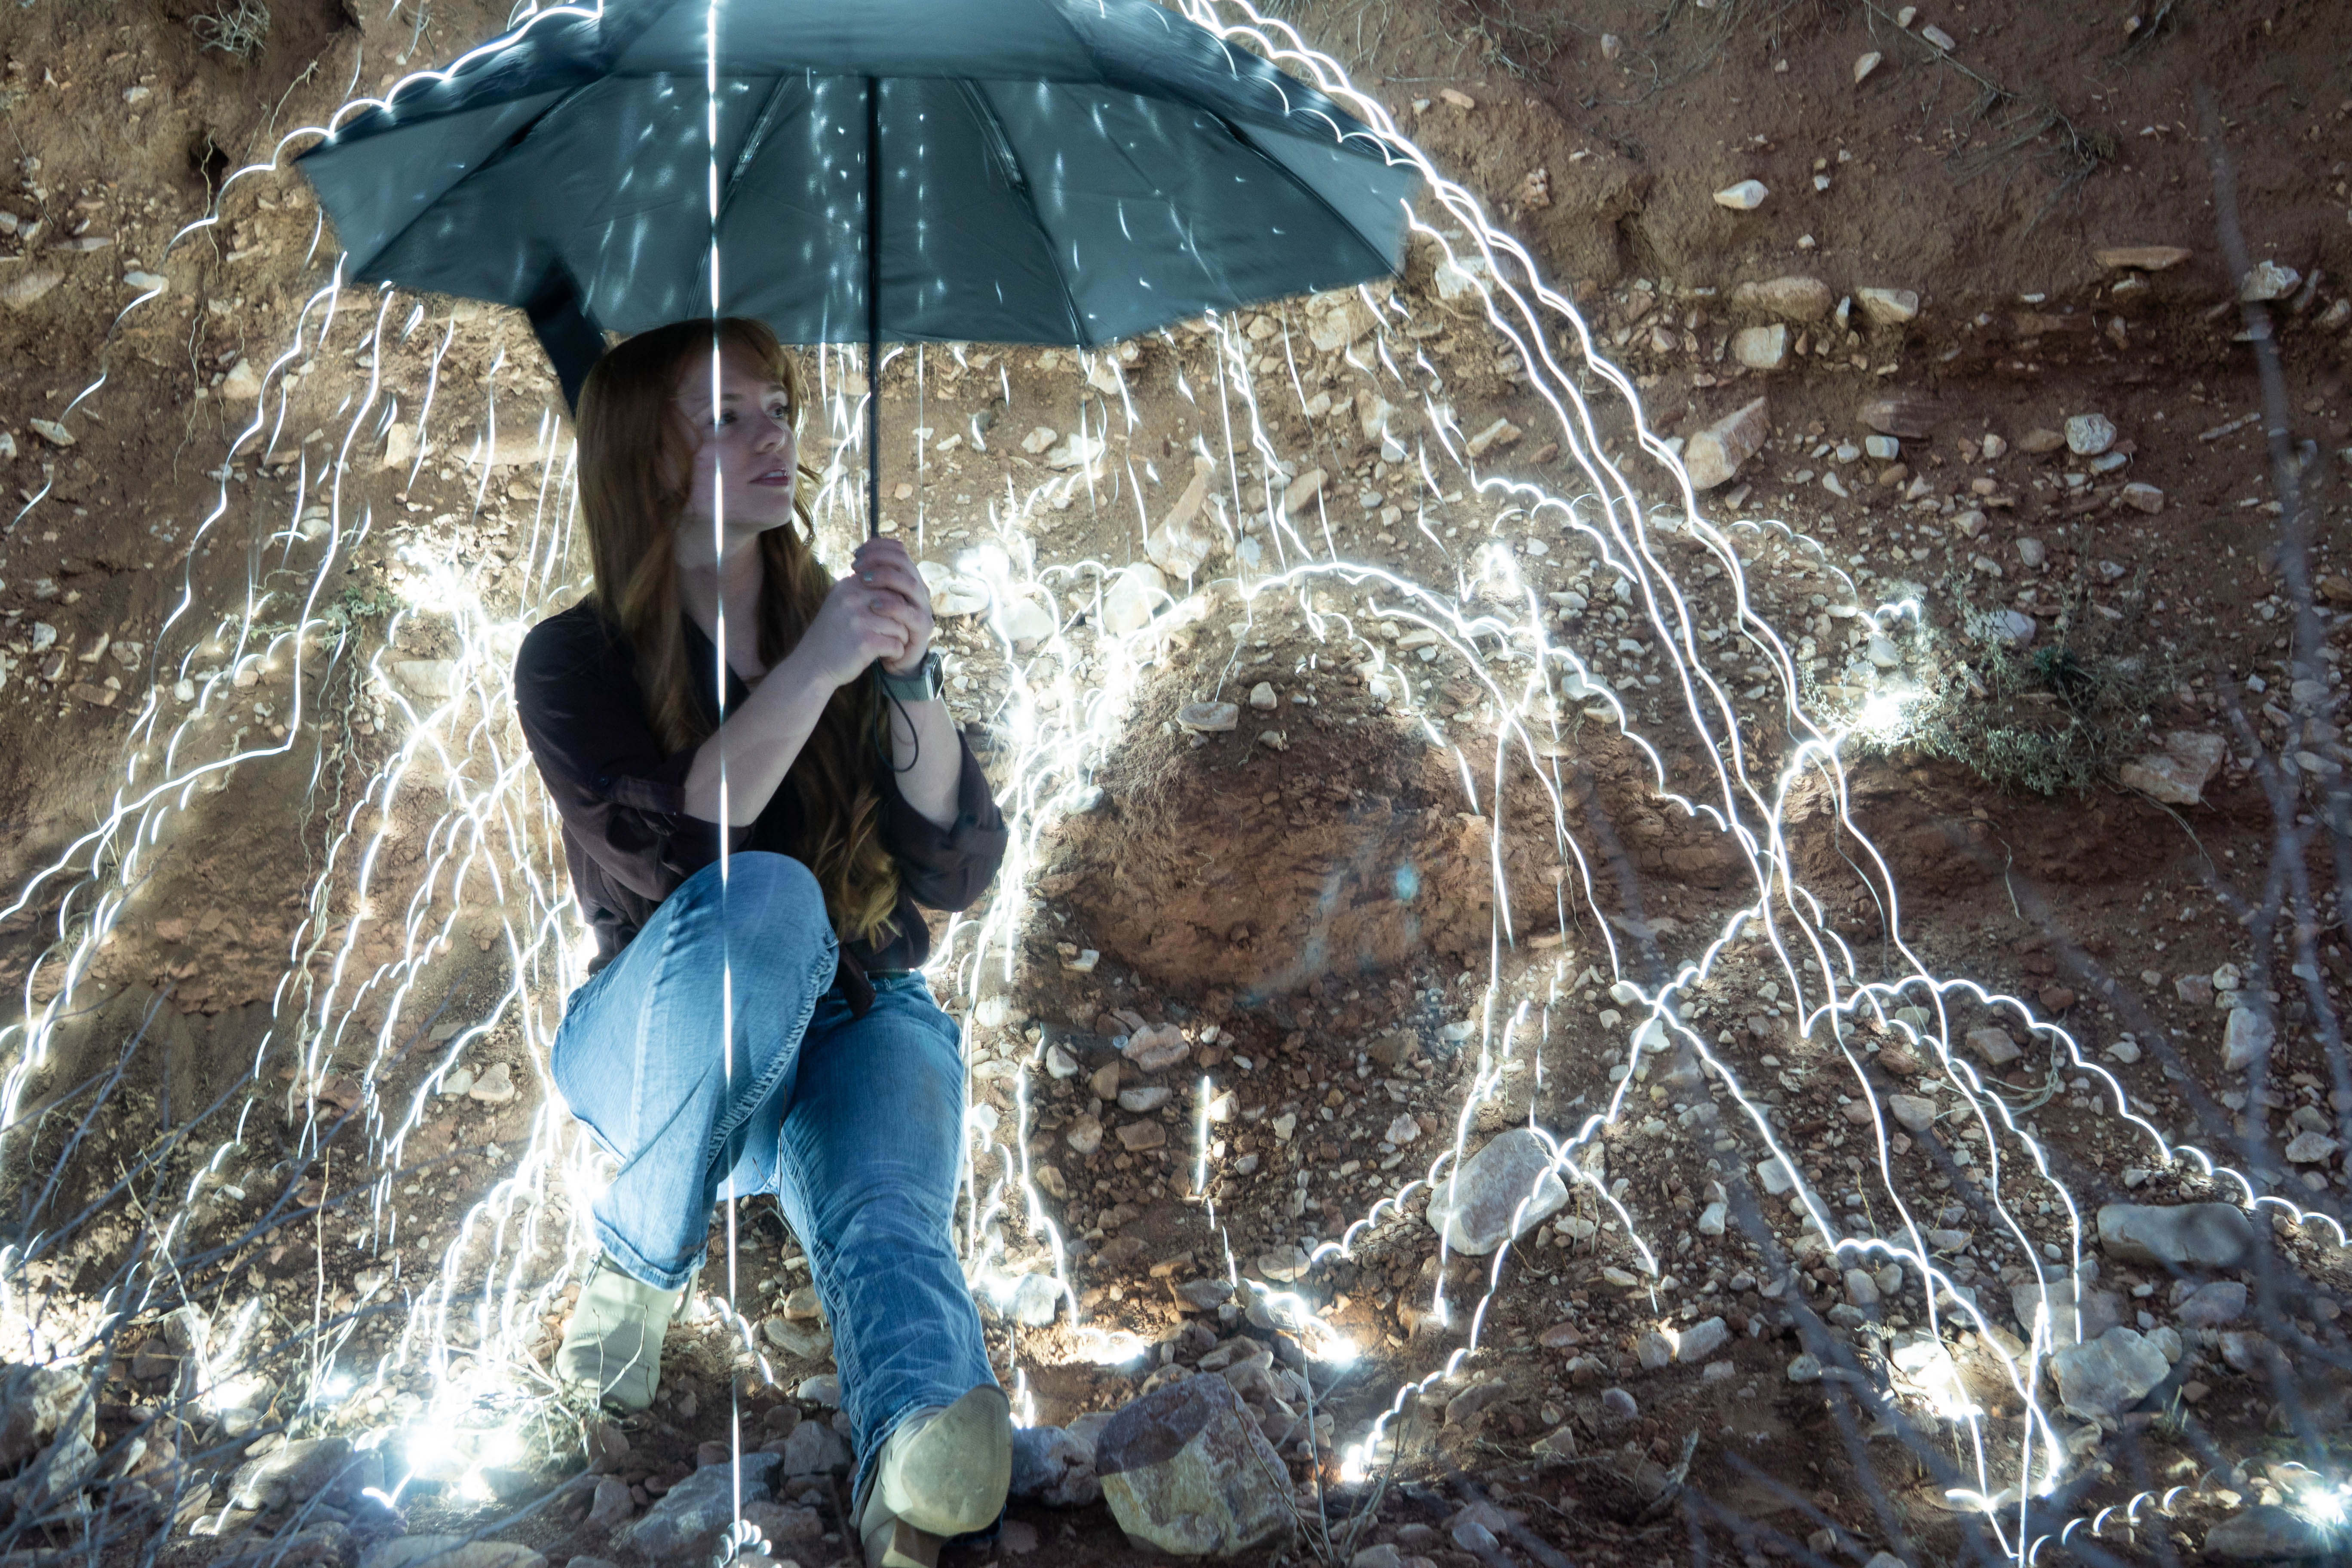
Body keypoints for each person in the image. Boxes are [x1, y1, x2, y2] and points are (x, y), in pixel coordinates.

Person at [512, 316, 1011, 1568]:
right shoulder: (569, 663)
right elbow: (685, 852)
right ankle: (636, 1264)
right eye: (724, 415)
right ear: (643, 460)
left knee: (890, 1208)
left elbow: (954, 863)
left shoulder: (828, 615)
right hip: (666, 1049)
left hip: (848, 1023)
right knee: (772, 901)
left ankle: (918, 1455)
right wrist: (819, 665)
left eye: (777, 409)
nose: (772, 435)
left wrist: (906, 676)